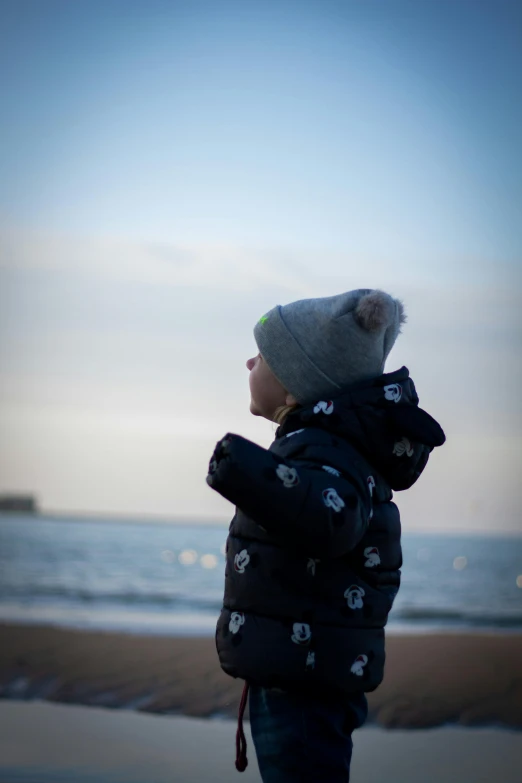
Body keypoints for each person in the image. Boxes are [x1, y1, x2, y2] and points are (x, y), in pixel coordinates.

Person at [206, 288, 445, 782]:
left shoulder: (323, 451)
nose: (249, 361)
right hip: (301, 665)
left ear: (296, 390)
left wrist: (248, 472)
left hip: (306, 678)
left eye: (265, 356)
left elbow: (330, 520)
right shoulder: (318, 445)